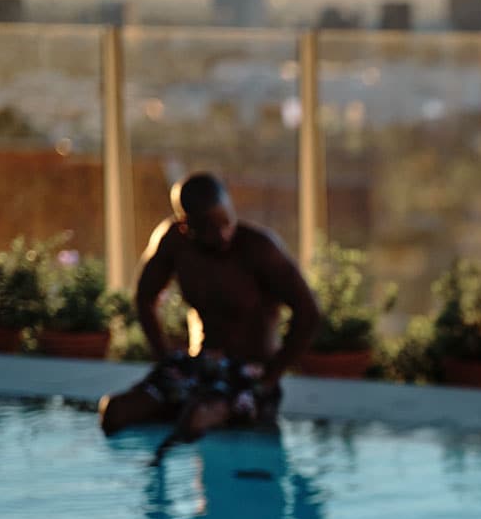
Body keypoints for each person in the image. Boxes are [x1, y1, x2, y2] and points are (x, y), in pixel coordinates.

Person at [98, 173, 320, 443]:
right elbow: (145, 297)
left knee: (197, 418)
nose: (224, 234)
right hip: (197, 366)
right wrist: (164, 356)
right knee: (114, 412)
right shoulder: (175, 243)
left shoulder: (259, 248)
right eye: (211, 228)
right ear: (186, 226)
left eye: (227, 222)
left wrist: (269, 377)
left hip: (249, 374)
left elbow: (308, 312)